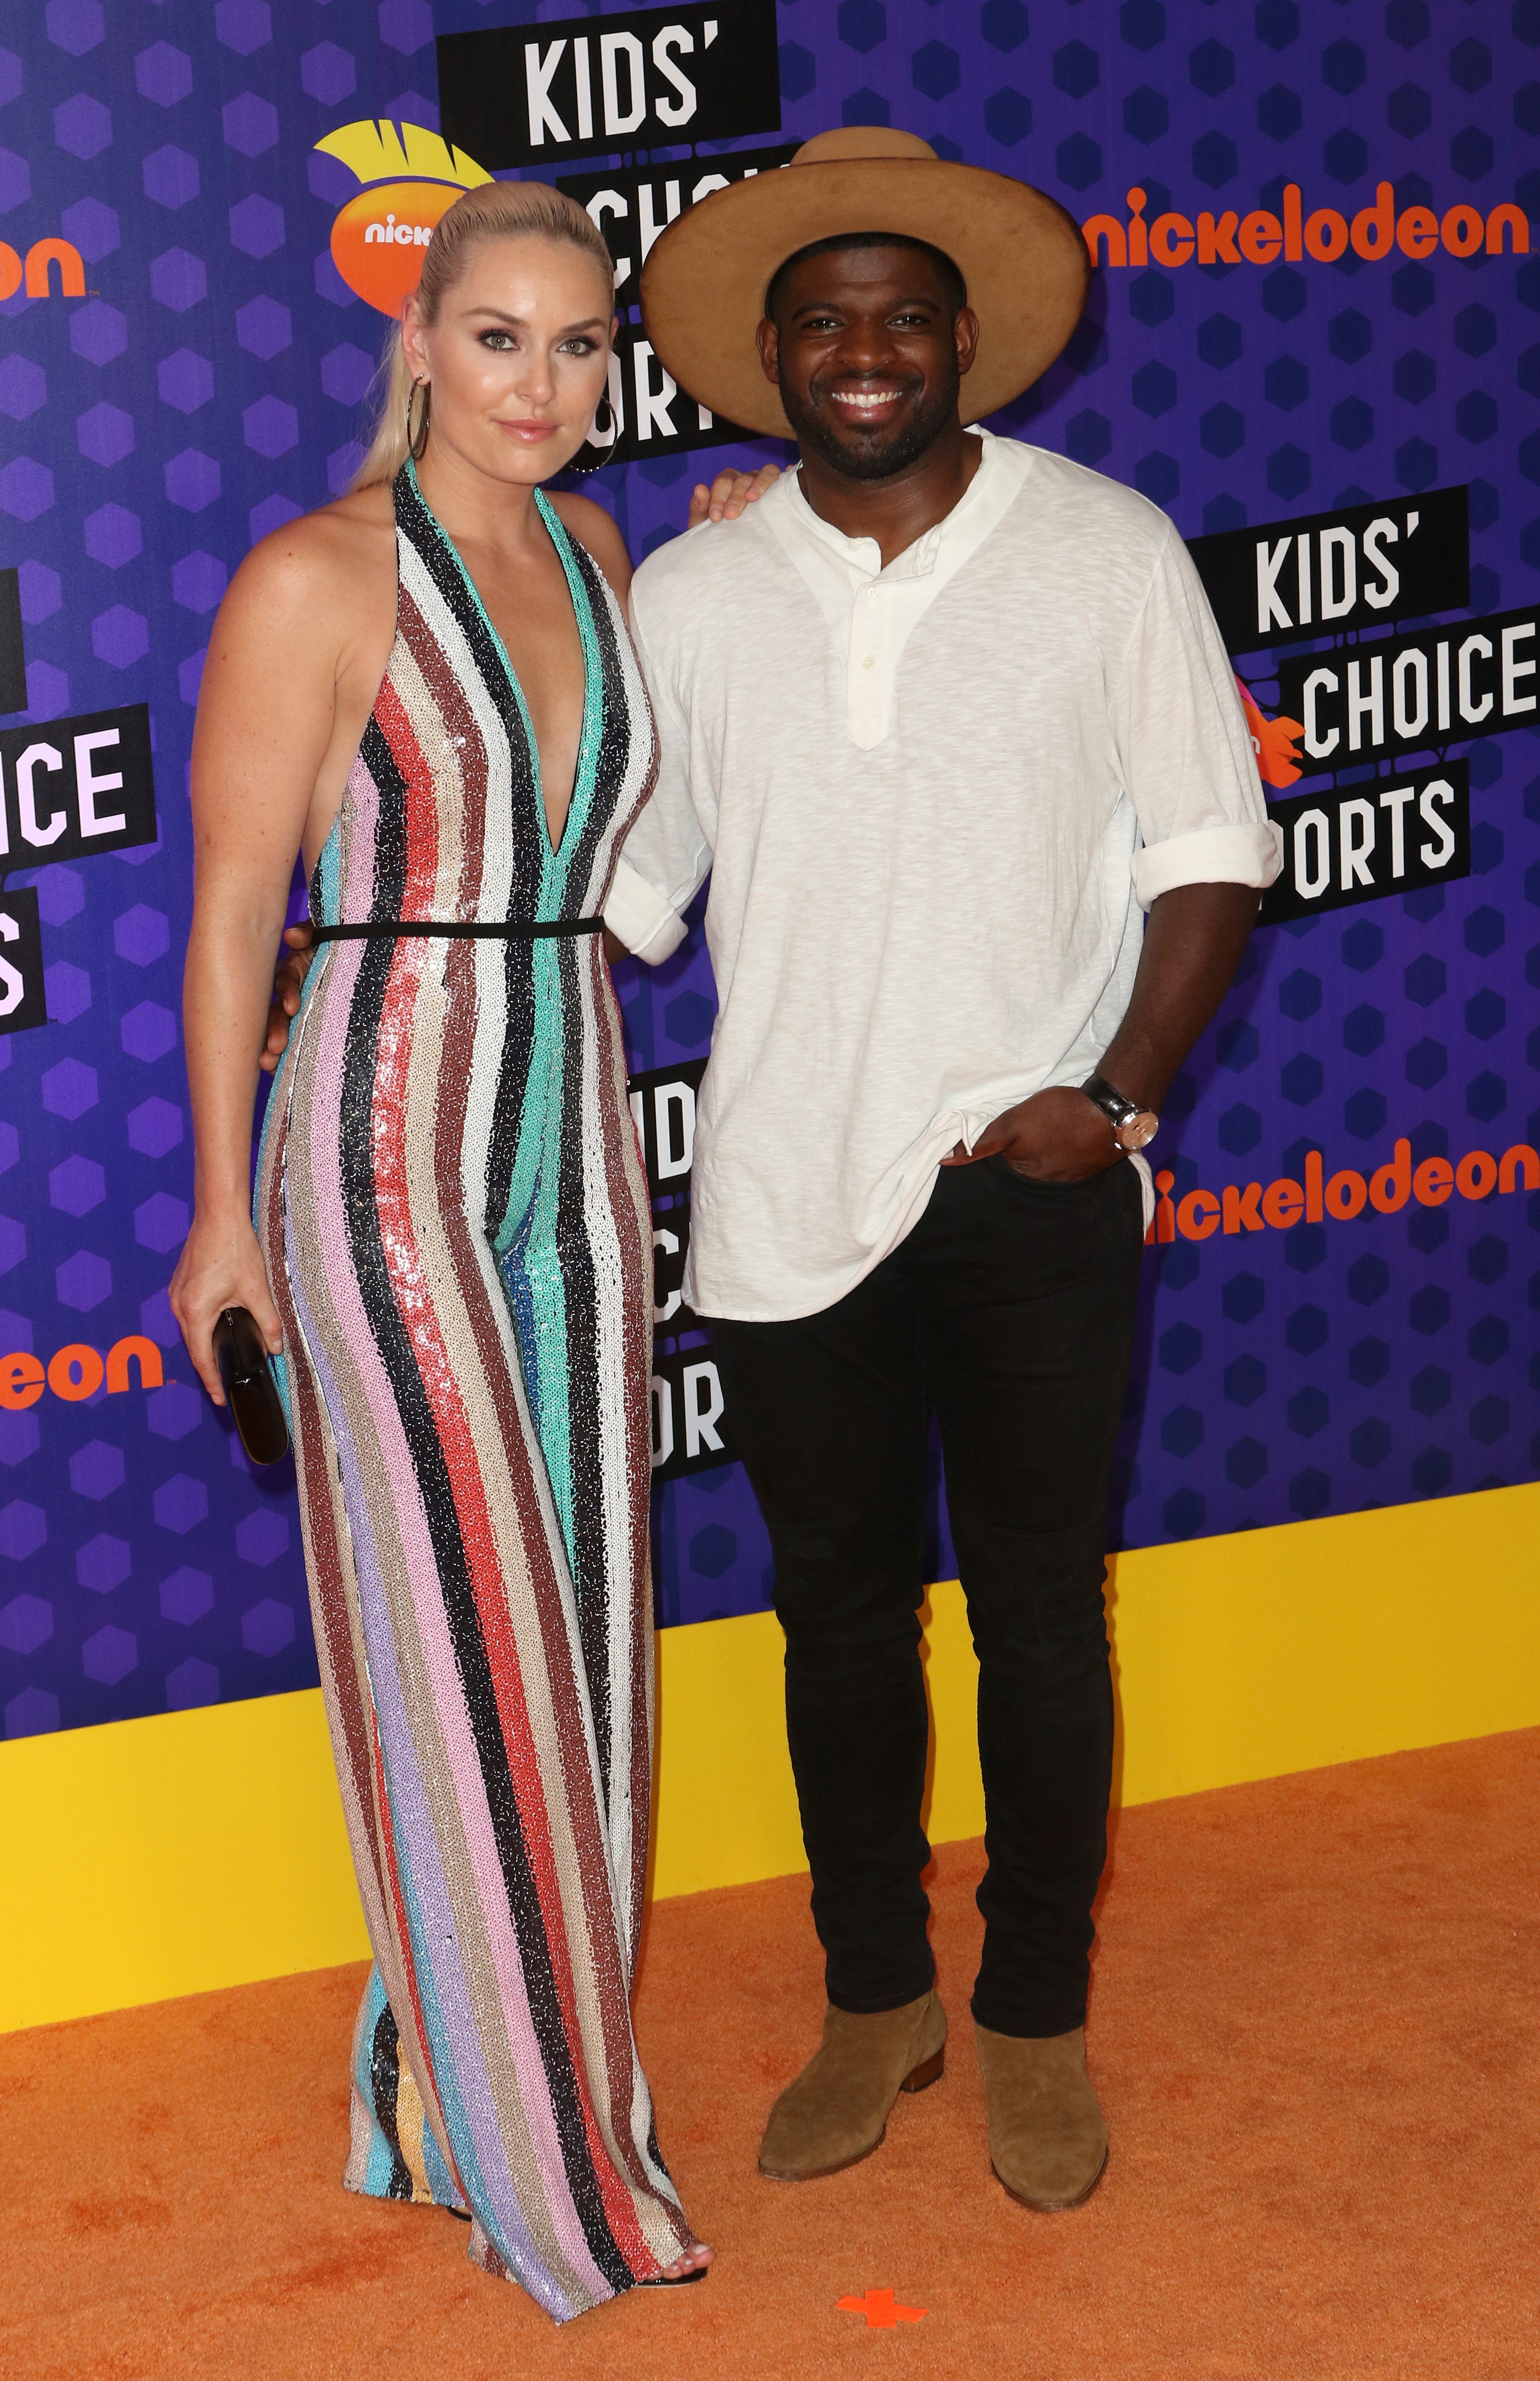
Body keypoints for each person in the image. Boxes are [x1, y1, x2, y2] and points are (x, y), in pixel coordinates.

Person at [264, 128, 1282, 2219]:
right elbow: (612, 891)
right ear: (767, 360)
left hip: (1037, 1186)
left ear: (970, 339)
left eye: (905, 315)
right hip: (777, 1198)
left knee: (1040, 1625)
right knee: (835, 1628)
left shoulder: (1112, 548)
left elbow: (1213, 854)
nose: (867, 351)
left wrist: (1119, 1098)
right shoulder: (700, 586)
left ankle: (1034, 2021)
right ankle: (874, 1995)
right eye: (822, 322)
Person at [170, 180, 714, 2320]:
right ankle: (565, 2179)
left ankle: (430, 2089)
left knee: (580, 1644)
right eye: (498, 339)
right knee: (479, 1643)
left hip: (573, 1128)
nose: (543, 386)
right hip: (380, 1138)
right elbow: (231, 916)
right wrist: (223, 1213)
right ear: (415, 345)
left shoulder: (599, 552)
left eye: (581, 347)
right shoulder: (318, 579)